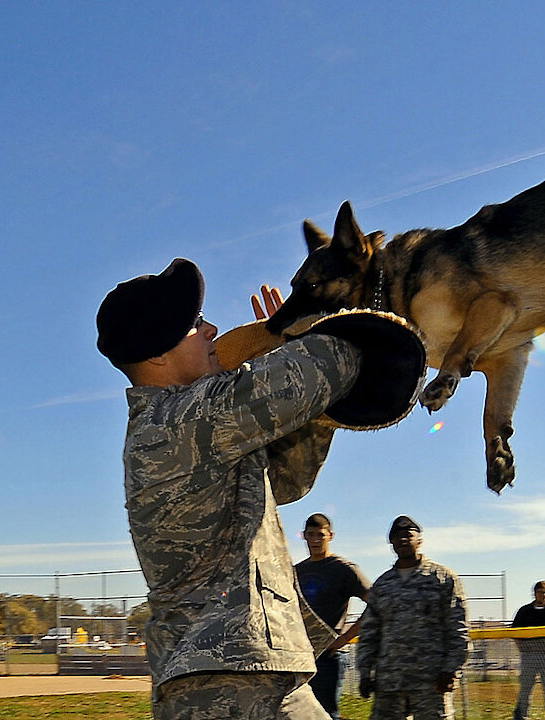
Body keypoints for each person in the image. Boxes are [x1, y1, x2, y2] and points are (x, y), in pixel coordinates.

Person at [97, 258, 425, 720]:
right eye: (195, 324)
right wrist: (325, 325)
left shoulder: (196, 425)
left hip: (251, 674)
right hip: (224, 682)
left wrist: (287, 350)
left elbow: (288, 479)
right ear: (157, 353)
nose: (212, 329)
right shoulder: (181, 421)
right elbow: (327, 365)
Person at [356, 516, 470, 720]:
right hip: (390, 682)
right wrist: (365, 673)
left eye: (408, 535)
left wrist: (451, 670)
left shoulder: (442, 578)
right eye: (397, 537)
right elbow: (369, 633)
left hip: (431, 681)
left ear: (420, 540)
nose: (402, 540)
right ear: (391, 543)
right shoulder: (383, 585)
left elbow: (458, 628)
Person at [295, 513, 371, 720]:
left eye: (320, 535)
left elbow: (376, 604)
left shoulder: (343, 569)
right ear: (303, 536)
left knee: (326, 714)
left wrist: (345, 638)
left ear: (330, 536)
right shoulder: (296, 571)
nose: (316, 540)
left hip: (329, 656)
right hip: (300, 655)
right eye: (311, 535)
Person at [510, 581, 545, 720]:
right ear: (535, 593)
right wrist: (524, 649)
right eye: (540, 591)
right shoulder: (524, 611)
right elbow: (514, 633)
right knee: (525, 688)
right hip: (528, 656)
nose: (542, 595)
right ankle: (521, 716)